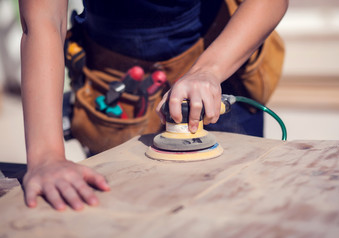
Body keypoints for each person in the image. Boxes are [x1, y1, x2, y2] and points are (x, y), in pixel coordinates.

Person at [18, 0, 288, 211]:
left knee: (232, 210)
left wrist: (207, 70)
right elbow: (44, 18)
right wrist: (46, 156)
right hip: (117, 87)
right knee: (123, 213)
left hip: (218, 62)